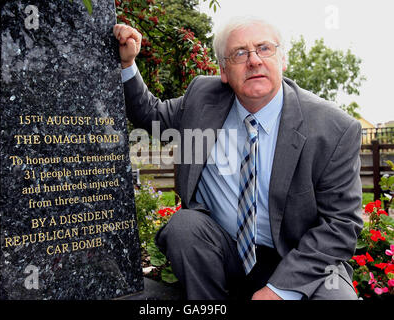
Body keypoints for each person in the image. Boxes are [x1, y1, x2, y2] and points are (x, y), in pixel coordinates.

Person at [113, 16, 363, 300]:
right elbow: (150, 115)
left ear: (282, 59)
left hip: (301, 259)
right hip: (225, 251)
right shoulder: (202, 98)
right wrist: (127, 63)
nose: (254, 61)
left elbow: (341, 224)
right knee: (185, 227)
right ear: (223, 71)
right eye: (239, 53)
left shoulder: (333, 129)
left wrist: (279, 290)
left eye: (264, 48)